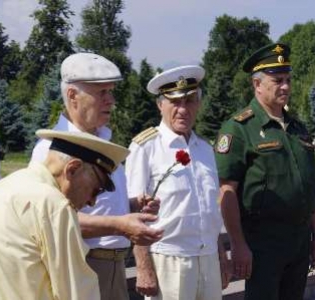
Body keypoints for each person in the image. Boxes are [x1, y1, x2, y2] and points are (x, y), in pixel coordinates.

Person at [30, 52, 163, 300]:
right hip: (81, 266)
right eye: (102, 93)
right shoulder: (52, 151)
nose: (111, 101)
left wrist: (133, 206)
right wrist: (120, 225)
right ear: (72, 96)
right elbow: (49, 221)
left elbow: (98, 207)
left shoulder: (102, 140)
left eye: (111, 92)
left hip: (114, 266)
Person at [0, 129, 130, 299]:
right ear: (73, 169)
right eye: (96, 190)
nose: (92, 201)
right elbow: (77, 292)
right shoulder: (53, 204)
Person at [215, 43, 315, 300]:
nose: (286, 86)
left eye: (288, 80)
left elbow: (307, 185)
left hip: (300, 240)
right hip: (262, 243)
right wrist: (238, 244)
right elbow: (226, 191)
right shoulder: (238, 129)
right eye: (277, 80)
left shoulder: (297, 128)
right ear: (257, 84)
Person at [125, 65, 230, 300]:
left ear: (198, 104)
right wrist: (143, 267)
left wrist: (221, 256)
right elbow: (134, 216)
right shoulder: (145, 147)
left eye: (190, 100)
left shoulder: (204, 148)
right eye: (175, 102)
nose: (183, 109)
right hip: (168, 261)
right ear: (160, 104)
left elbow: (210, 210)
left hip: (208, 258)